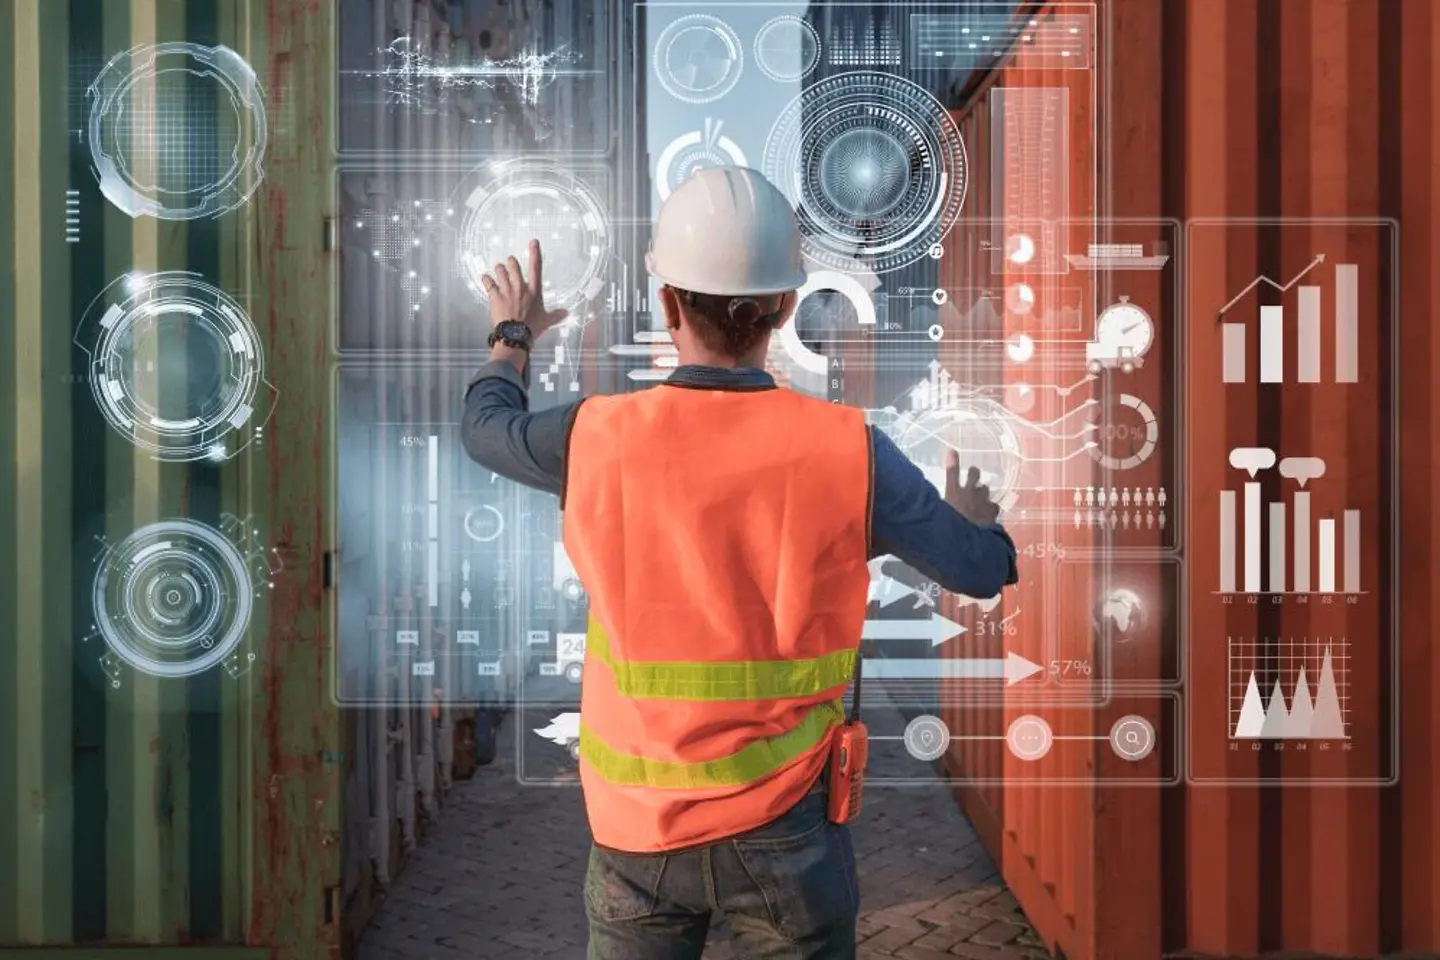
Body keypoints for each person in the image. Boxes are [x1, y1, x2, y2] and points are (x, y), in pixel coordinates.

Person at [461, 166, 1018, 960]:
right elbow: (978, 571)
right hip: (786, 828)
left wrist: (513, 334)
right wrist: (983, 525)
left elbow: (486, 427)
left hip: (637, 831)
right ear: (785, 308)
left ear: (668, 302)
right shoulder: (850, 450)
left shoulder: (597, 437)